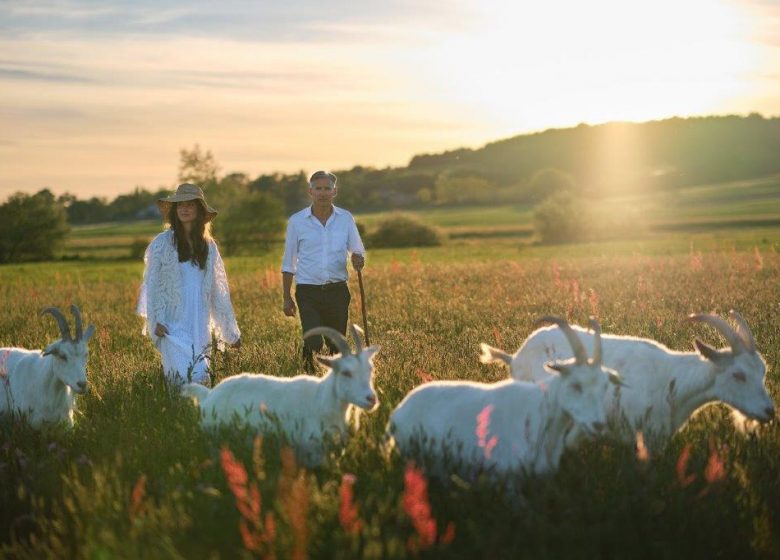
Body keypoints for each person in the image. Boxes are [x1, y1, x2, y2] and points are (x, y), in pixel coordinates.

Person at [137, 183, 240, 384]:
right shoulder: (161, 243)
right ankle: (176, 413)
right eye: (180, 205)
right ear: (175, 210)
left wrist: (230, 331)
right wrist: (156, 320)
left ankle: (195, 415)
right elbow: (152, 284)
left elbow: (219, 290)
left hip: (198, 322)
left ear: (199, 211)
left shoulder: (209, 247)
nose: (184, 209)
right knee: (180, 377)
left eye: (190, 205)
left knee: (201, 377)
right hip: (171, 324)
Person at [281, 170, 365, 372]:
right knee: (314, 341)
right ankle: (307, 377)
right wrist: (286, 297)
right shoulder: (297, 221)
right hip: (308, 291)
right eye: (318, 188)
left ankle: (334, 383)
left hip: (337, 291)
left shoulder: (345, 219)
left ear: (334, 191)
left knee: (337, 345)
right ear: (310, 191)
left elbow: (357, 250)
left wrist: (358, 259)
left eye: (327, 188)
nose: (323, 193)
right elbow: (288, 262)